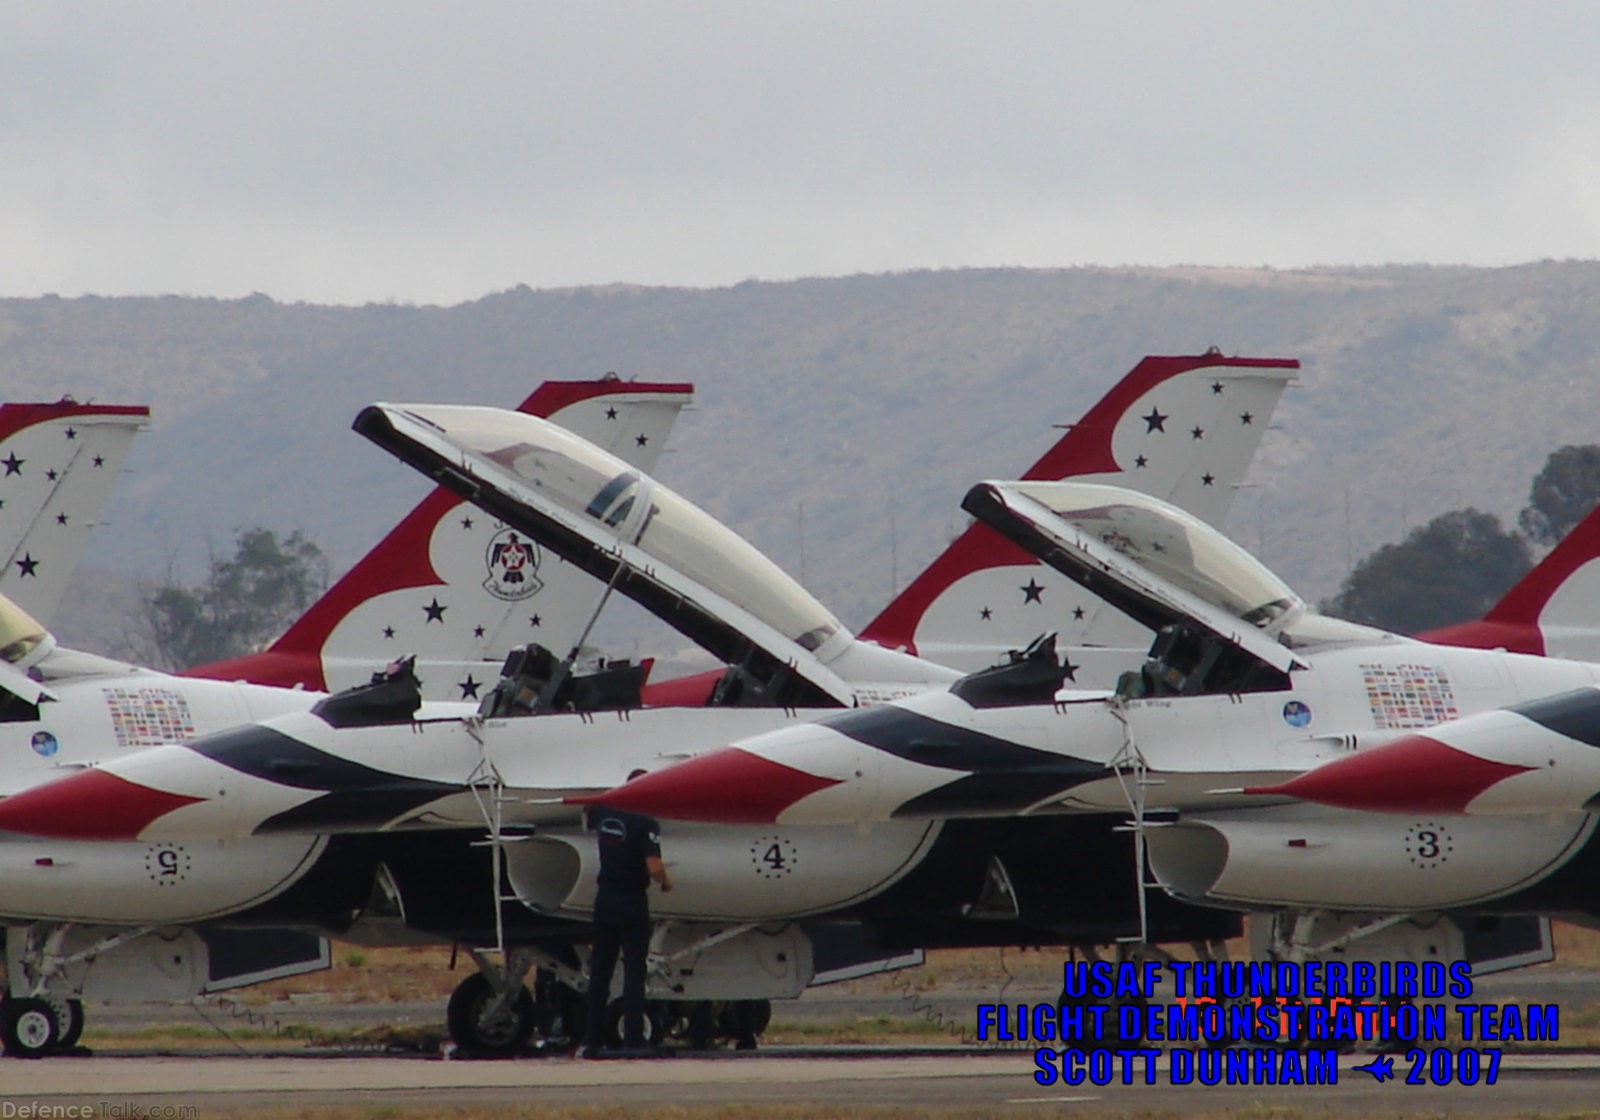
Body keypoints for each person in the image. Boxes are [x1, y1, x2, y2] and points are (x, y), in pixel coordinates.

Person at [582, 770, 671, 1056]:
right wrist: (666, 882)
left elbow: (587, 810)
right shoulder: (646, 822)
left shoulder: (604, 812)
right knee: (634, 971)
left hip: (605, 898)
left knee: (600, 972)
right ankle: (633, 1039)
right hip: (632, 901)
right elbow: (654, 867)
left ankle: (592, 1038)